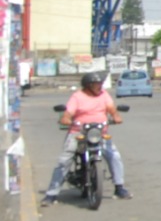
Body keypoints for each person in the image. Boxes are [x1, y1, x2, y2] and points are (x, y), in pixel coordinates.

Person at [41, 72, 130, 206]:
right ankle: (51, 194)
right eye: (96, 84)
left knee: (114, 156)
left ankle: (119, 187)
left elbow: (112, 109)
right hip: (78, 133)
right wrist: (66, 118)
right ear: (88, 86)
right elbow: (68, 112)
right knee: (64, 161)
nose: (99, 86)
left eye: (100, 84)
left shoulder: (103, 95)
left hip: (99, 133)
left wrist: (116, 116)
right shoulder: (77, 97)